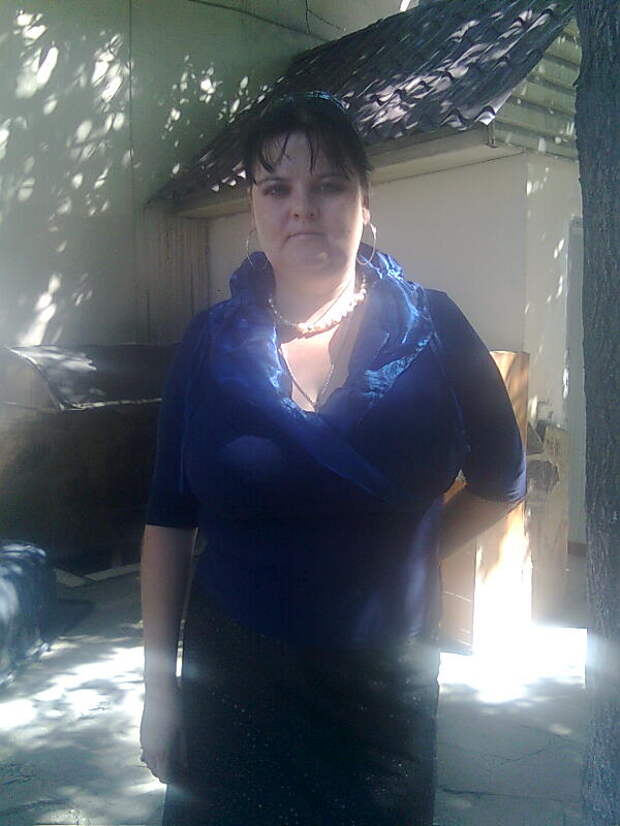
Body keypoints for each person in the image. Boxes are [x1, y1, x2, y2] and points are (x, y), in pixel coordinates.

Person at [139, 91, 526, 826]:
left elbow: (502, 479)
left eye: (329, 185)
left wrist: (406, 556)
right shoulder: (208, 343)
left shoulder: (434, 328)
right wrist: (160, 691)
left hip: (379, 698)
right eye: (276, 189)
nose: (302, 209)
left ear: (365, 201)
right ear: (253, 208)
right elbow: (167, 519)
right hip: (233, 686)